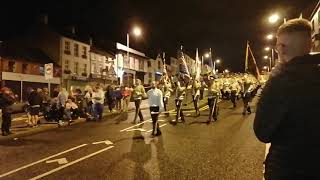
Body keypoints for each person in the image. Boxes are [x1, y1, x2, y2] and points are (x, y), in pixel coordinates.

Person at [254, 18, 320, 179]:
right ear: (311, 44)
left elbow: (262, 132)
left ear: (280, 48)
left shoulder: (281, 81)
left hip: (287, 168)